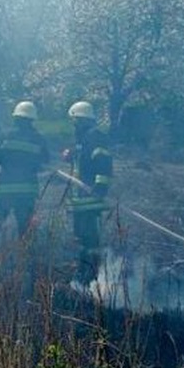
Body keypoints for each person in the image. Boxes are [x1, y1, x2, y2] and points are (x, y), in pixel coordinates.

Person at [0, 101, 50, 249]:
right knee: (26, 230)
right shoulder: (39, 139)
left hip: (4, 190)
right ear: (32, 119)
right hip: (27, 192)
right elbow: (45, 161)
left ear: (15, 117)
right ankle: (27, 261)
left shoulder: (4, 135)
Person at [63, 101, 113, 284]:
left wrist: (100, 188)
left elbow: (103, 163)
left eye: (74, 121)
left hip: (89, 202)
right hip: (81, 202)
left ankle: (89, 278)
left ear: (80, 120)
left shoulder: (95, 137)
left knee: (89, 242)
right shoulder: (85, 139)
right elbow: (84, 163)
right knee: (83, 240)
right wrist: (71, 155)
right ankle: (84, 274)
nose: (73, 125)